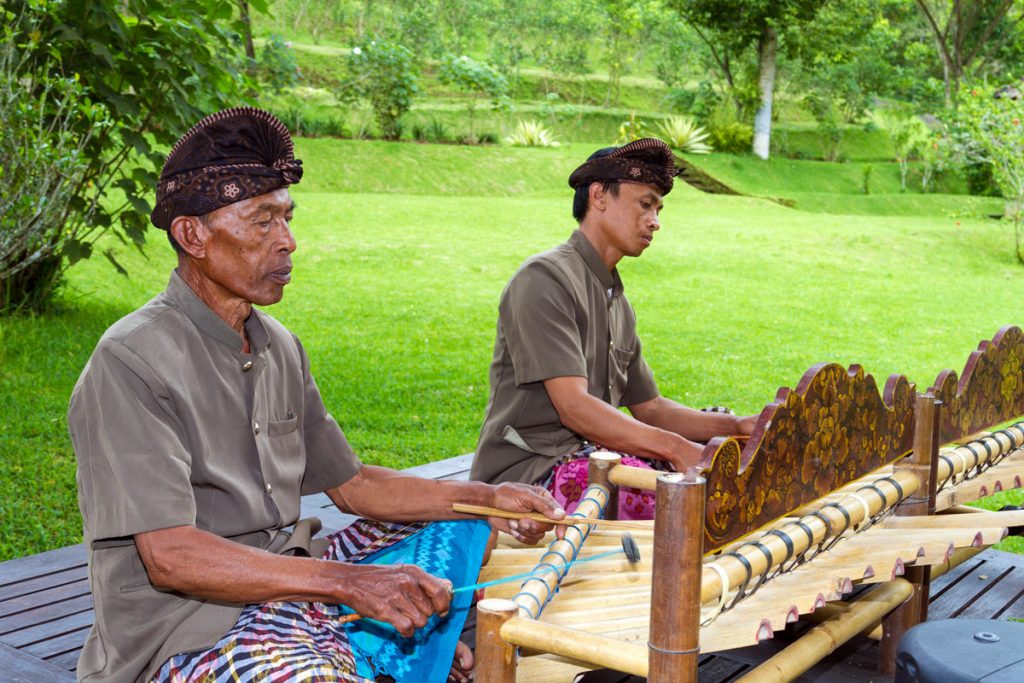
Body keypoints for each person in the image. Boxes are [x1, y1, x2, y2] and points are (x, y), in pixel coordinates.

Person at [68, 107, 565, 683]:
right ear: (192, 235)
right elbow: (171, 556)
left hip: (289, 581)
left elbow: (353, 486)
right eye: (262, 222)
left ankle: (348, 637)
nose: (288, 242)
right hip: (190, 625)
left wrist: (487, 495)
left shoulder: (278, 346)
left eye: (287, 219)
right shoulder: (130, 360)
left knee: (464, 525)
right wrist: (352, 585)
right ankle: (347, 648)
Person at [470, 138, 756, 519]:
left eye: (658, 208)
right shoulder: (543, 279)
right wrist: (674, 448)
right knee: (665, 495)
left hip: (597, 456)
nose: (655, 221)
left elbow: (650, 407)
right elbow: (574, 408)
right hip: (529, 474)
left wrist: (737, 426)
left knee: (720, 441)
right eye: (645, 204)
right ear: (600, 196)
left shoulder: (616, 300)